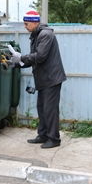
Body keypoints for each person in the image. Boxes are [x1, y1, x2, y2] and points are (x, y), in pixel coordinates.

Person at [9, 10, 66, 149]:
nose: (25, 26)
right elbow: (34, 59)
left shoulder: (46, 34)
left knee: (50, 110)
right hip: (43, 78)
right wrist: (15, 63)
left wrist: (21, 57)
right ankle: (43, 135)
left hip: (51, 79)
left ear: (35, 22)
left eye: (26, 23)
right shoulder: (36, 35)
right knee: (42, 109)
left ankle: (54, 139)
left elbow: (40, 56)